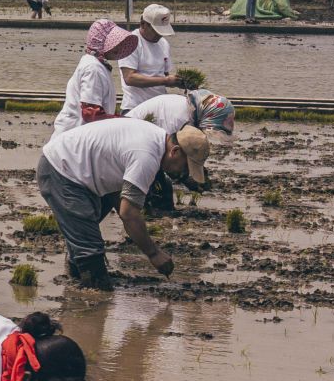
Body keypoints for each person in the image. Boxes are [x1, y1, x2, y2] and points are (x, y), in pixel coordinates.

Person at [36, 117, 208, 289]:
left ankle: (77, 277)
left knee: (85, 234)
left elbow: (118, 196)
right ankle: (90, 300)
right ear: (175, 151)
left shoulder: (155, 138)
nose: (183, 173)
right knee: (91, 253)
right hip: (62, 170)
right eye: (185, 167)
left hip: (77, 171)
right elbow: (128, 213)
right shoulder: (147, 156)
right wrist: (154, 253)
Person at [125, 90, 233, 210]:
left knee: (163, 192)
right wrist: (185, 178)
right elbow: (170, 157)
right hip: (134, 146)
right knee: (156, 193)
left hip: (149, 146)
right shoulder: (180, 120)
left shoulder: (190, 112)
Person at [50, 19, 139, 138]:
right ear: (100, 44)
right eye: (114, 42)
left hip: (79, 137)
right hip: (73, 139)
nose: (118, 46)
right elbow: (90, 114)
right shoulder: (93, 69)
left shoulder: (95, 63)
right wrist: (124, 121)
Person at [118, 4, 178, 112]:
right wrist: (166, 81)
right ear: (143, 24)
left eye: (162, 32)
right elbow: (129, 78)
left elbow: (164, 74)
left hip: (159, 107)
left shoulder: (163, 43)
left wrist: (178, 81)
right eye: (156, 31)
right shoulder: (130, 42)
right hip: (135, 108)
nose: (159, 35)